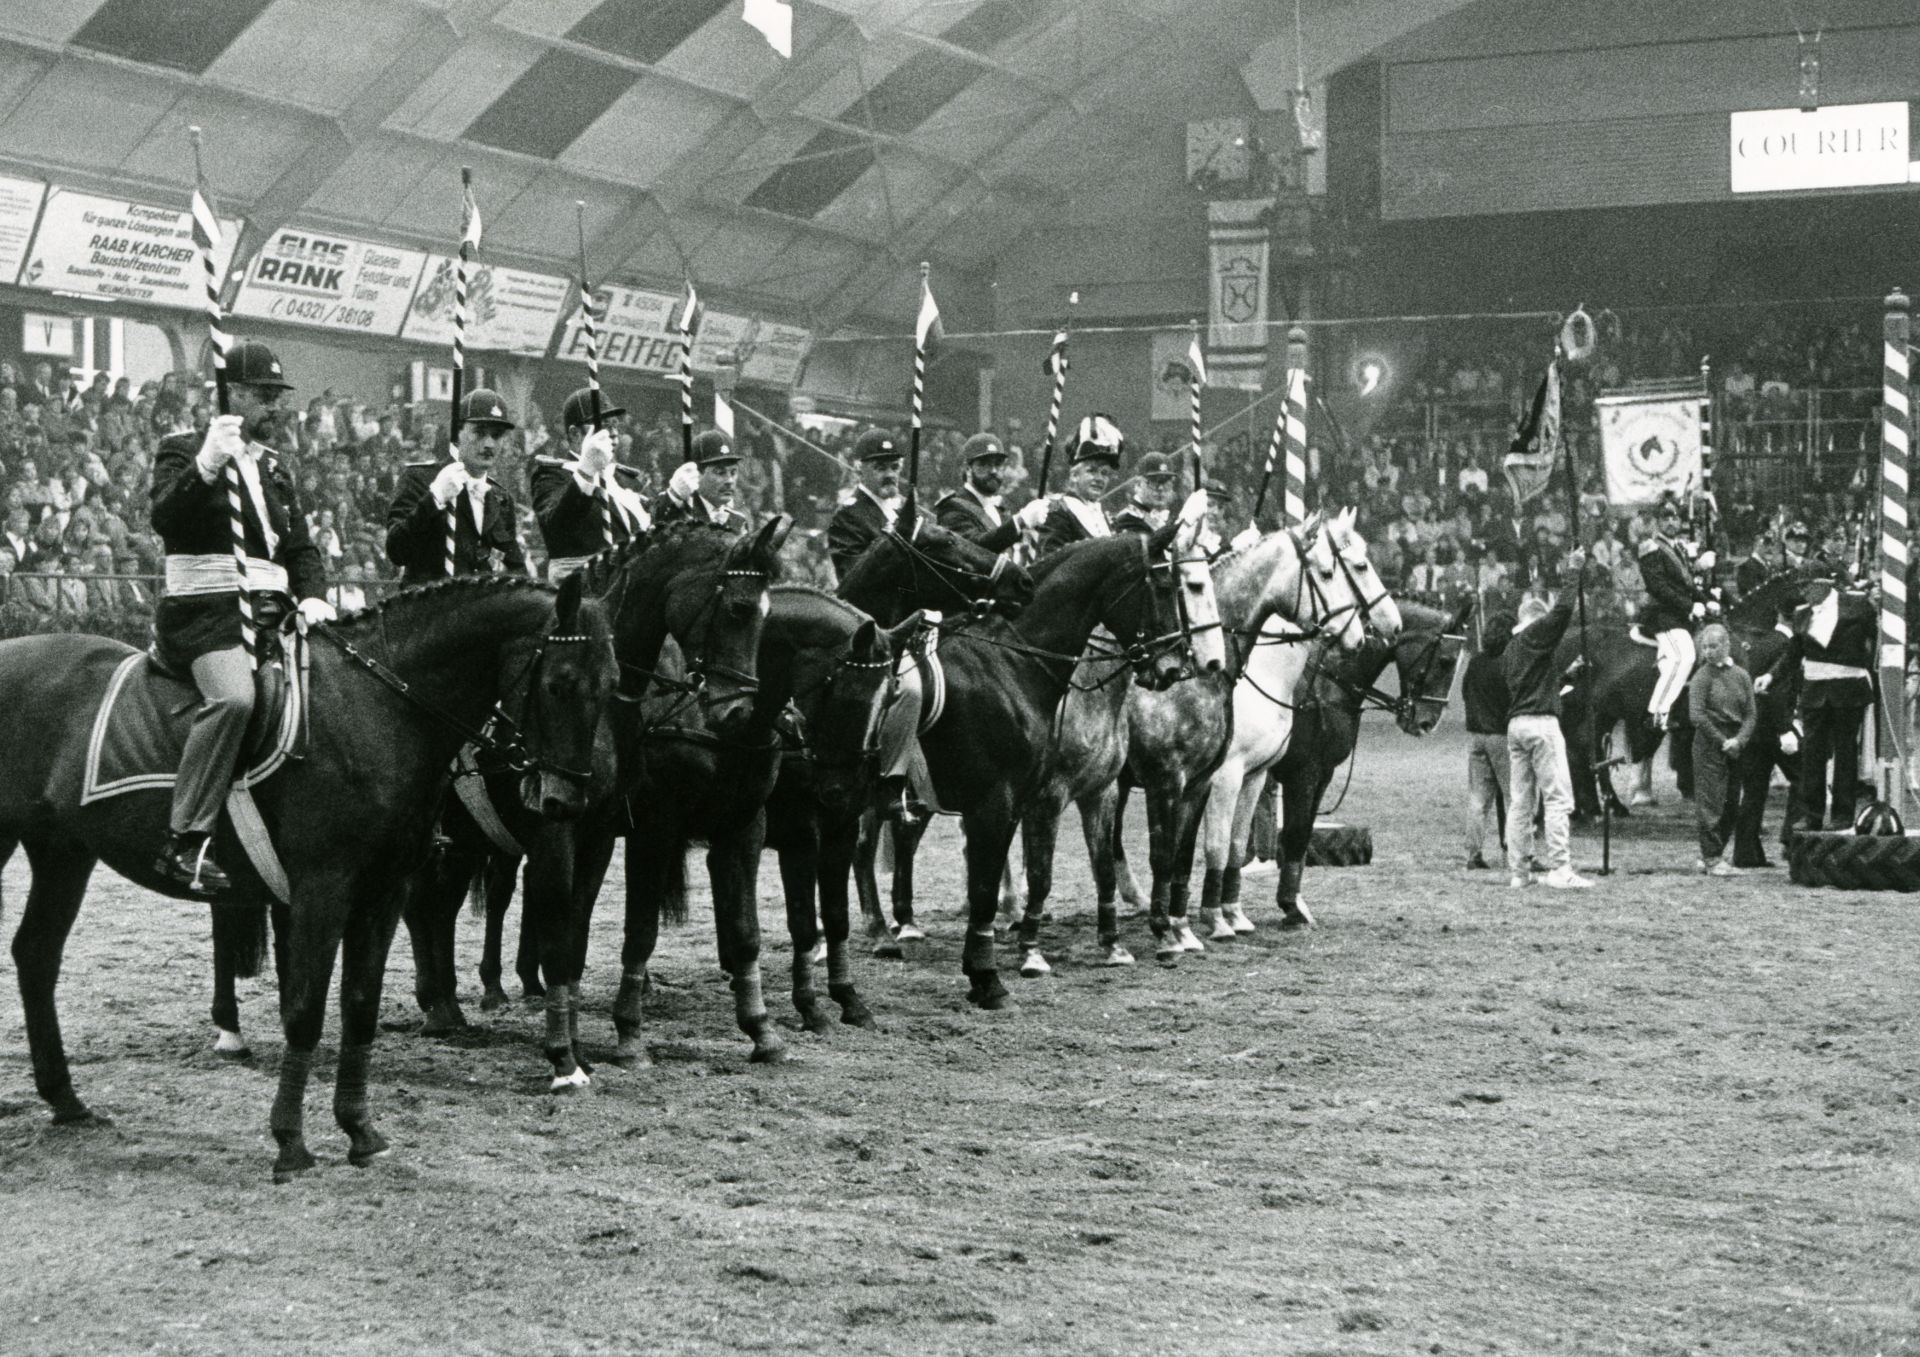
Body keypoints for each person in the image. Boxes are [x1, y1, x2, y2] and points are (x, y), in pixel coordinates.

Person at [148, 340, 333, 894]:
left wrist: (315, 594)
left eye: (278, 396)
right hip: (206, 615)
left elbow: (299, 548)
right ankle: (185, 837)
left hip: (272, 612)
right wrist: (206, 466)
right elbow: (165, 521)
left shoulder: (276, 468)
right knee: (234, 698)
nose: (275, 406)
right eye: (263, 395)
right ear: (230, 395)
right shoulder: (182, 450)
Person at [1503, 555, 1594, 891]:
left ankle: (1519, 873)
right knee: (1557, 798)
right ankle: (1559, 867)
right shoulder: (1534, 635)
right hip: (1542, 724)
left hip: (1517, 725)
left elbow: (1534, 682)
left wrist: (1566, 675)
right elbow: (1562, 613)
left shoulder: (1512, 649)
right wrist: (1573, 569)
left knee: (1521, 802)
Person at [385, 389, 527, 583]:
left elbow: (516, 569)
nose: (489, 444)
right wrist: (434, 498)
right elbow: (396, 551)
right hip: (431, 608)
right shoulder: (419, 479)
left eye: (497, 435)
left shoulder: (501, 498)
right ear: (457, 433)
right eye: (479, 432)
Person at [530, 388, 651, 579]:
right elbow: (556, 526)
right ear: (575, 433)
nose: (613, 433)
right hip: (584, 591)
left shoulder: (626, 480)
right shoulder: (553, 475)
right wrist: (587, 470)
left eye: (614, 425)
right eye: (603, 426)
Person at [1734, 598, 1804, 867]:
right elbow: (1777, 692)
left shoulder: (1765, 642)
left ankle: (1746, 853)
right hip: (1775, 727)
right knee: (1805, 777)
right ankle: (1791, 838)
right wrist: (1785, 729)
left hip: (1755, 727)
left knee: (1754, 792)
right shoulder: (1787, 646)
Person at [1688, 624, 1756, 876]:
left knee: (1731, 802)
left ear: (1727, 646)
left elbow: (1750, 714)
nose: (1708, 651)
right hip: (1709, 744)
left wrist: (1739, 740)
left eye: (1714, 646)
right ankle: (1711, 856)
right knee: (1711, 802)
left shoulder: (1741, 676)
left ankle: (1715, 853)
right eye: (1705, 647)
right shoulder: (1701, 677)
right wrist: (1722, 741)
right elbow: (1697, 715)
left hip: (1735, 743)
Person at [1636, 500, 1699, 730]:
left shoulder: (1678, 548)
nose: (1671, 522)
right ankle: (1655, 714)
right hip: (1662, 614)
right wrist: (1690, 606)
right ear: (1658, 522)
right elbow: (1658, 586)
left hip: (1680, 613)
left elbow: (1688, 585)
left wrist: (1707, 601)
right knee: (1683, 657)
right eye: (1666, 518)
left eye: (1674, 518)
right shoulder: (1650, 547)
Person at [1023, 415, 1122, 557]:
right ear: (1075, 475)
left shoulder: (1102, 515)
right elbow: (1051, 564)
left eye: (1104, 473)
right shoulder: (1059, 511)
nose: (1099, 478)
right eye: (1091, 471)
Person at [1463, 610, 1514, 870]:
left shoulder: (1475, 662)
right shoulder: (1507, 663)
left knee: (1478, 800)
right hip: (1501, 736)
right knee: (1513, 797)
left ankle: (1474, 854)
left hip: (1476, 736)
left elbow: (1464, 693)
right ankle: (1516, 852)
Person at [827, 429, 910, 579]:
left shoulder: (905, 506)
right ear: (860, 469)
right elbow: (853, 578)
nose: (890, 474)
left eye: (895, 467)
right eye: (880, 468)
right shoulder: (848, 516)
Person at [932, 433, 1019, 552]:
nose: (993, 471)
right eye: (984, 464)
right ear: (967, 468)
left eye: (998, 464)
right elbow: (974, 549)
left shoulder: (1001, 509)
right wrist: (1020, 522)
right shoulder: (952, 507)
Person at [656, 430, 750, 534]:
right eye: (720, 472)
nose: (730, 481)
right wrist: (673, 495)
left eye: (733, 472)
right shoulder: (679, 513)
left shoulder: (739, 522)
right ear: (696, 473)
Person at [1109, 452, 1175, 535]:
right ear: (1138, 484)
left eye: (1166, 483)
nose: (1160, 488)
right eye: (1153, 482)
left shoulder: (1166, 518)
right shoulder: (1127, 521)